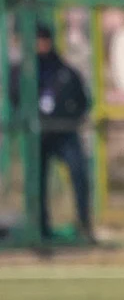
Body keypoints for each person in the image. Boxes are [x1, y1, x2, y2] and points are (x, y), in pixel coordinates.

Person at [9, 25, 93, 242]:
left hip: (64, 134)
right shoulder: (22, 71)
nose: (42, 45)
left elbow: (82, 102)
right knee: (36, 180)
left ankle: (84, 224)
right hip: (38, 136)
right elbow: (15, 99)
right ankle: (40, 227)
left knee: (79, 172)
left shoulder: (64, 70)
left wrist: (69, 119)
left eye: (44, 40)